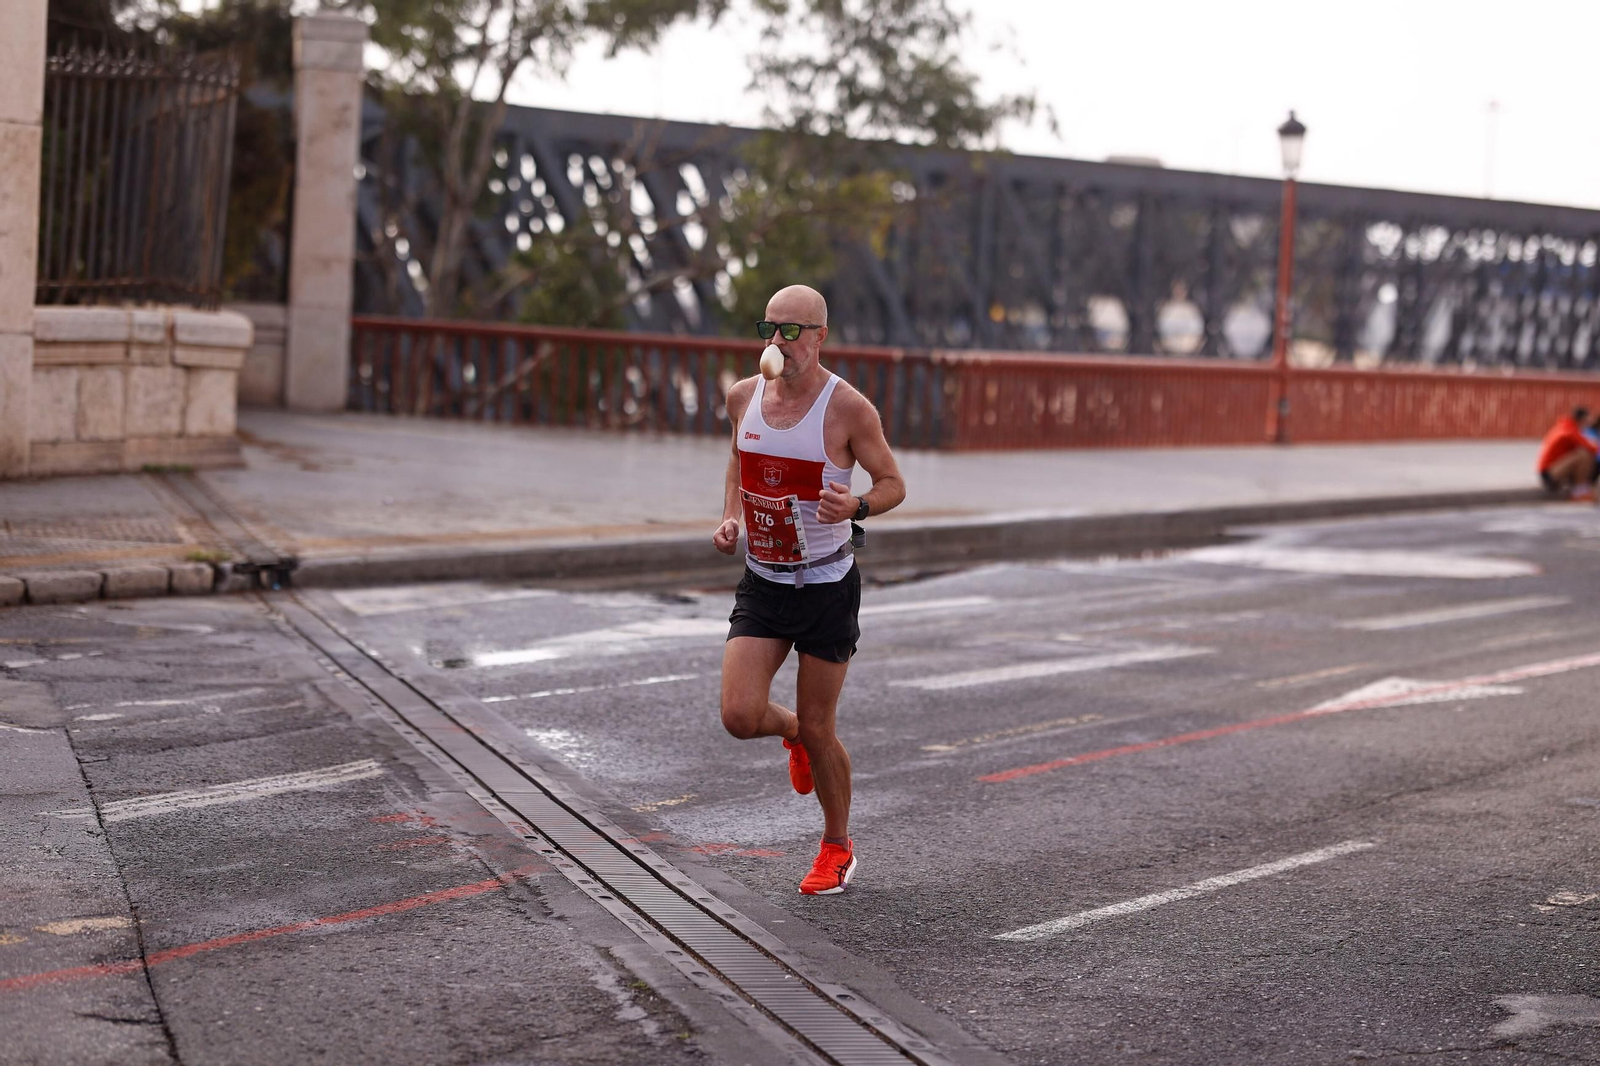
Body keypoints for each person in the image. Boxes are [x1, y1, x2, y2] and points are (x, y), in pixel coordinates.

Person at [711, 284, 906, 895]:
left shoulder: (848, 409)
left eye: (792, 331)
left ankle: (837, 846)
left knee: (823, 726)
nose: (778, 342)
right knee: (739, 716)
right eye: (769, 328)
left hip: (825, 585)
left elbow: (894, 482)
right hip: (765, 581)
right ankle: (788, 731)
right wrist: (731, 517)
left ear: (820, 337)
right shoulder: (743, 396)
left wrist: (857, 505)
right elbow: (739, 461)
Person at [1536, 406, 1599, 501]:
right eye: (1587, 420)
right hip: (1550, 474)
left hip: (1554, 468)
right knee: (1584, 455)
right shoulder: (1569, 430)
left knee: (1583, 455)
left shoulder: (1566, 426)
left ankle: (1582, 489)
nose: (1588, 423)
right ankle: (1579, 491)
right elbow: (1591, 448)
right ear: (1582, 419)